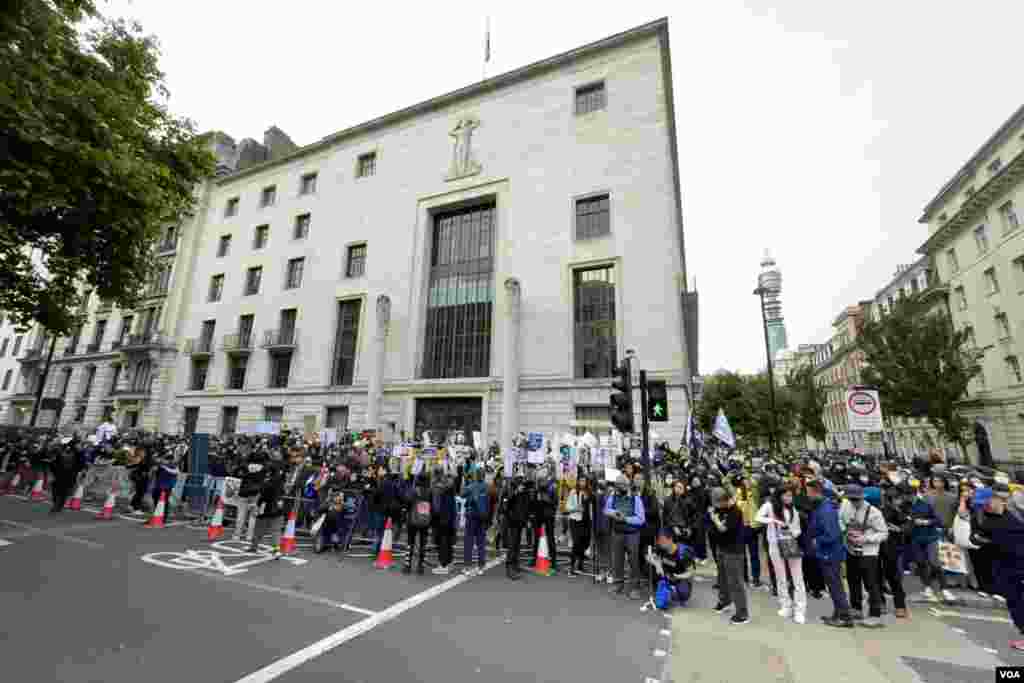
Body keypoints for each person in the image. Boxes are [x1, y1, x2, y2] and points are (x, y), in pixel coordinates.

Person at [975, 483, 1024, 651]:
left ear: (999, 500)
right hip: (1003, 568)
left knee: (1019, 602)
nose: (985, 505)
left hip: (1018, 566)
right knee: (1014, 602)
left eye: (988, 501)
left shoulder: (1014, 519)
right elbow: (978, 538)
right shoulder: (988, 520)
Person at [756, 484, 807, 624]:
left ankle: (800, 610)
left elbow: (798, 530)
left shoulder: (794, 510)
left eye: (790, 495)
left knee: (798, 578)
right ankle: (786, 605)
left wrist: (790, 532)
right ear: (779, 495)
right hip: (774, 545)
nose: (789, 498)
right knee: (781, 577)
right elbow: (758, 517)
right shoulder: (769, 506)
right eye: (786, 495)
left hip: (791, 544)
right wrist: (773, 521)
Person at [840, 484, 888, 628]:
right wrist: (845, 531)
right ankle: (856, 608)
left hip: (868, 552)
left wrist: (866, 539)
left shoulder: (874, 512)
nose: (854, 502)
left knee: (870, 583)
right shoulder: (846, 506)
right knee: (852, 579)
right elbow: (840, 520)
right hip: (851, 549)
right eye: (851, 499)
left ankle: (875, 614)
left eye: (856, 499)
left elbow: (884, 533)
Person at [806, 479, 852, 628]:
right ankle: (838, 613)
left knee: (835, 586)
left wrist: (816, 541)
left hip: (830, 553)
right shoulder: (823, 507)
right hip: (827, 553)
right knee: (833, 585)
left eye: (808, 492)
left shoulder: (825, 510)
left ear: (814, 492)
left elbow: (832, 535)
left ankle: (844, 617)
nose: (807, 495)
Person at [709, 486, 749, 624]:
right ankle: (725, 601)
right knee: (722, 579)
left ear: (723, 500)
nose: (715, 506)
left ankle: (742, 613)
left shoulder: (735, 512)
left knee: (735, 582)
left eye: (717, 502)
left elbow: (724, 529)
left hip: (733, 551)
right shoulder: (720, 509)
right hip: (721, 548)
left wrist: (715, 519)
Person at [605, 474, 646, 600]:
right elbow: (606, 509)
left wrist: (626, 518)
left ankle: (635, 587)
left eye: (621, 486)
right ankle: (618, 584)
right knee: (617, 560)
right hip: (617, 532)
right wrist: (613, 513)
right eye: (617, 486)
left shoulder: (636, 499)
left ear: (626, 485)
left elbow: (641, 519)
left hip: (632, 534)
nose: (618, 489)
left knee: (633, 561)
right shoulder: (613, 496)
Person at [909, 482, 950, 603]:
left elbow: (938, 520)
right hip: (916, 539)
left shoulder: (925, 504)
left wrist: (927, 522)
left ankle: (944, 588)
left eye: (911, 495)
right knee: (920, 563)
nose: (910, 498)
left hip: (930, 537)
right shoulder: (905, 507)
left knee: (934, 562)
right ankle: (927, 587)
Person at [879, 483, 911, 619]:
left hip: (893, 547)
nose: (899, 500)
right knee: (877, 576)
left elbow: (908, 525)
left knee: (893, 577)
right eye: (896, 498)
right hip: (881, 545)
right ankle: (881, 603)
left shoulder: (902, 511)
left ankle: (900, 606)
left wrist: (900, 529)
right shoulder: (882, 510)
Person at [649, 528, 695, 610]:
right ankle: (664, 589)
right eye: (659, 541)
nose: (660, 543)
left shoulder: (683, 552)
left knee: (683, 592)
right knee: (649, 568)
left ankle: (673, 593)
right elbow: (649, 556)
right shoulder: (661, 547)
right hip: (666, 576)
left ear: (670, 539)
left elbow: (690, 572)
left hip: (679, 578)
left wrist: (678, 576)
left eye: (662, 541)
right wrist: (657, 565)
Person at [249, 462, 285, 558]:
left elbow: (262, 495)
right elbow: (283, 493)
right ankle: (276, 550)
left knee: (259, 528)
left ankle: (254, 546)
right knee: (276, 531)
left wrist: (256, 505)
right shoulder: (280, 481)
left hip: (266, 508)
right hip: (278, 508)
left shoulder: (266, 482)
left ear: (269, 472)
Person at [461, 466, 490, 576]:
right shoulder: (487, 487)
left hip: (471, 516)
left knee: (469, 542)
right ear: (484, 475)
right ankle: (481, 567)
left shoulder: (471, 486)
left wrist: (466, 481)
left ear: (475, 475)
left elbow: (462, 494)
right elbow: (489, 501)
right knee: (481, 542)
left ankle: (467, 567)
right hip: (482, 517)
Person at [503, 475, 532, 580]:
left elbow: (527, 507)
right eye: (520, 483)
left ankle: (515, 564)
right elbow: (506, 505)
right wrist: (515, 493)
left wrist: (527, 519)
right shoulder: (511, 492)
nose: (522, 486)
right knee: (512, 545)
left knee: (517, 544)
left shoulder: (525, 493)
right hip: (512, 522)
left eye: (522, 484)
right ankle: (510, 567)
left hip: (520, 522)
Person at [430, 466, 458, 575]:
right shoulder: (450, 485)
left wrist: (433, 517)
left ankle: (443, 564)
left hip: (441, 518)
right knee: (448, 541)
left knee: (442, 541)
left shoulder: (437, 487)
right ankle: (449, 563)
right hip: (450, 516)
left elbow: (436, 507)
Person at [404, 473, 432, 575]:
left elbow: (407, 502)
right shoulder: (430, 492)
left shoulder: (414, 491)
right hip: (425, 521)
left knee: (410, 543)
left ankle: (408, 565)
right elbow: (433, 506)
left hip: (413, 519)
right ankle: (421, 566)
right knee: (423, 544)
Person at [565, 477, 594, 577]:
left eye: (584, 481)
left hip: (586, 521)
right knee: (576, 543)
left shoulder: (589, 492)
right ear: (578, 482)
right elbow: (567, 508)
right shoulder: (573, 492)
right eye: (581, 481)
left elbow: (591, 507)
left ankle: (580, 565)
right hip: (575, 520)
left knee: (585, 542)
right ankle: (572, 567)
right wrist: (576, 509)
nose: (583, 483)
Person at [531, 470, 559, 573]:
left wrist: (546, 499)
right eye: (540, 480)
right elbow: (533, 502)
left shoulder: (552, 488)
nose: (541, 482)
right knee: (536, 538)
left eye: (543, 480)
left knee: (550, 538)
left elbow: (555, 502)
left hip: (548, 516)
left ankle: (554, 561)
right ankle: (534, 559)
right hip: (538, 516)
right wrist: (532, 514)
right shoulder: (536, 489)